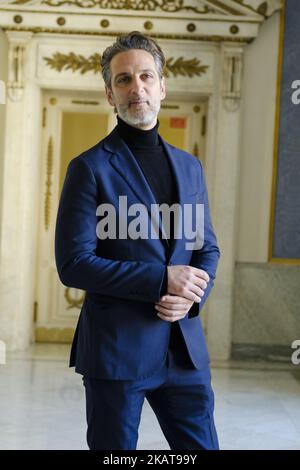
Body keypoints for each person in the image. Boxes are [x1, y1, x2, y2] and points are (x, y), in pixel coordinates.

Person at [55, 31, 220, 451]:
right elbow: (73, 263)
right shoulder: (88, 168)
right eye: (124, 79)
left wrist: (192, 296)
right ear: (110, 94)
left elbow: (206, 249)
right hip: (116, 352)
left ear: (162, 86)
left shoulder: (190, 167)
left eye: (146, 76)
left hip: (184, 352)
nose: (137, 87)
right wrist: (162, 279)